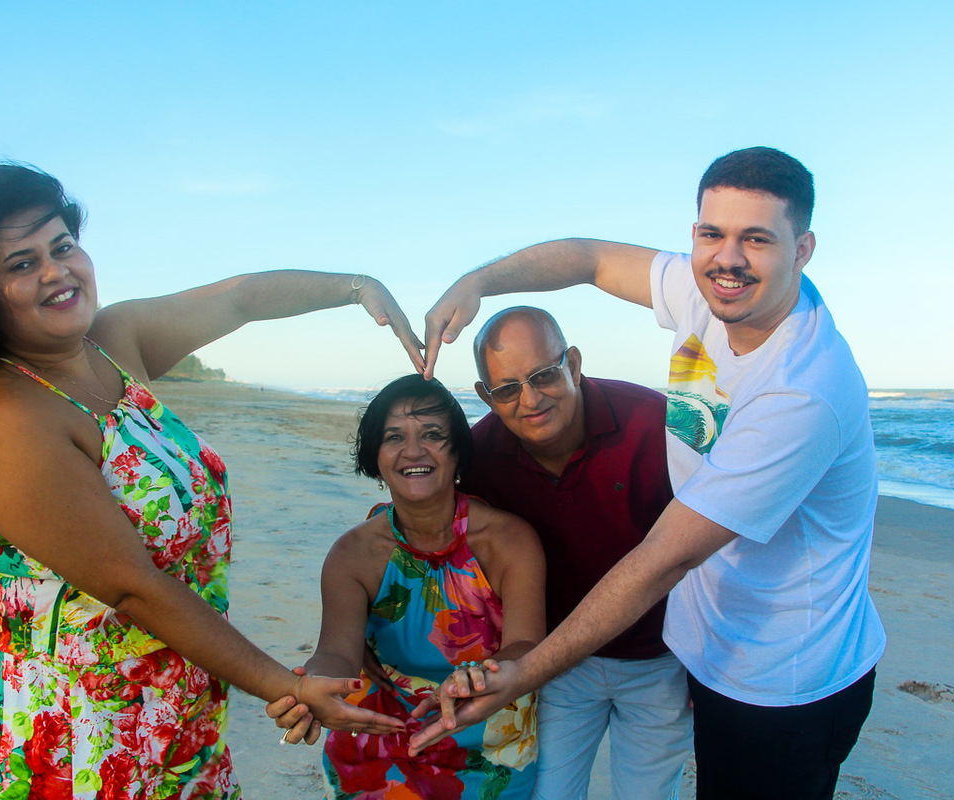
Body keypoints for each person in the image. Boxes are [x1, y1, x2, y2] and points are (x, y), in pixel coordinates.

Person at [0, 163, 423, 798]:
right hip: (82, 728)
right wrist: (285, 684)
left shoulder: (111, 342)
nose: (56, 272)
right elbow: (133, 588)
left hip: (176, 699)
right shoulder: (7, 419)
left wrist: (358, 287)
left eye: (62, 246)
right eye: (21, 264)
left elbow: (240, 298)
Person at [411, 146, 886, 800]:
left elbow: (661, 558)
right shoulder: (706, 294)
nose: (728, 259)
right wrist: (479, 282)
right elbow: (590, 258)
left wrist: (520, 676)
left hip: (786, 676)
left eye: (757, 239)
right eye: (712, 234)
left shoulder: (801, 392)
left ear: (802, 250)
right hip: (711, 649)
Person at [461, 306, 690, 799]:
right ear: (486, 396)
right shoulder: (479, 454)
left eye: (544, 374)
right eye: (507, 389)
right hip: (558, 660)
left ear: (574, 364)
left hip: (664, 659)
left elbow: (718, 543)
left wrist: (709, 665)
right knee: (547, 794)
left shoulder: (656, 425)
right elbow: (439, 522)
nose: (530, 398)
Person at [284, 374, 545, 798]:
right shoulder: (353, 553)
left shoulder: (509, 541)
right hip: (379, 745)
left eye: (433, 435)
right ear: (375, 455)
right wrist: (312, 686)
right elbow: (335, 652)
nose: (413, 451)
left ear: (458, 451)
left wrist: (477, 678)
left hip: (491, 750)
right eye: (394, 437)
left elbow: (527, 645)